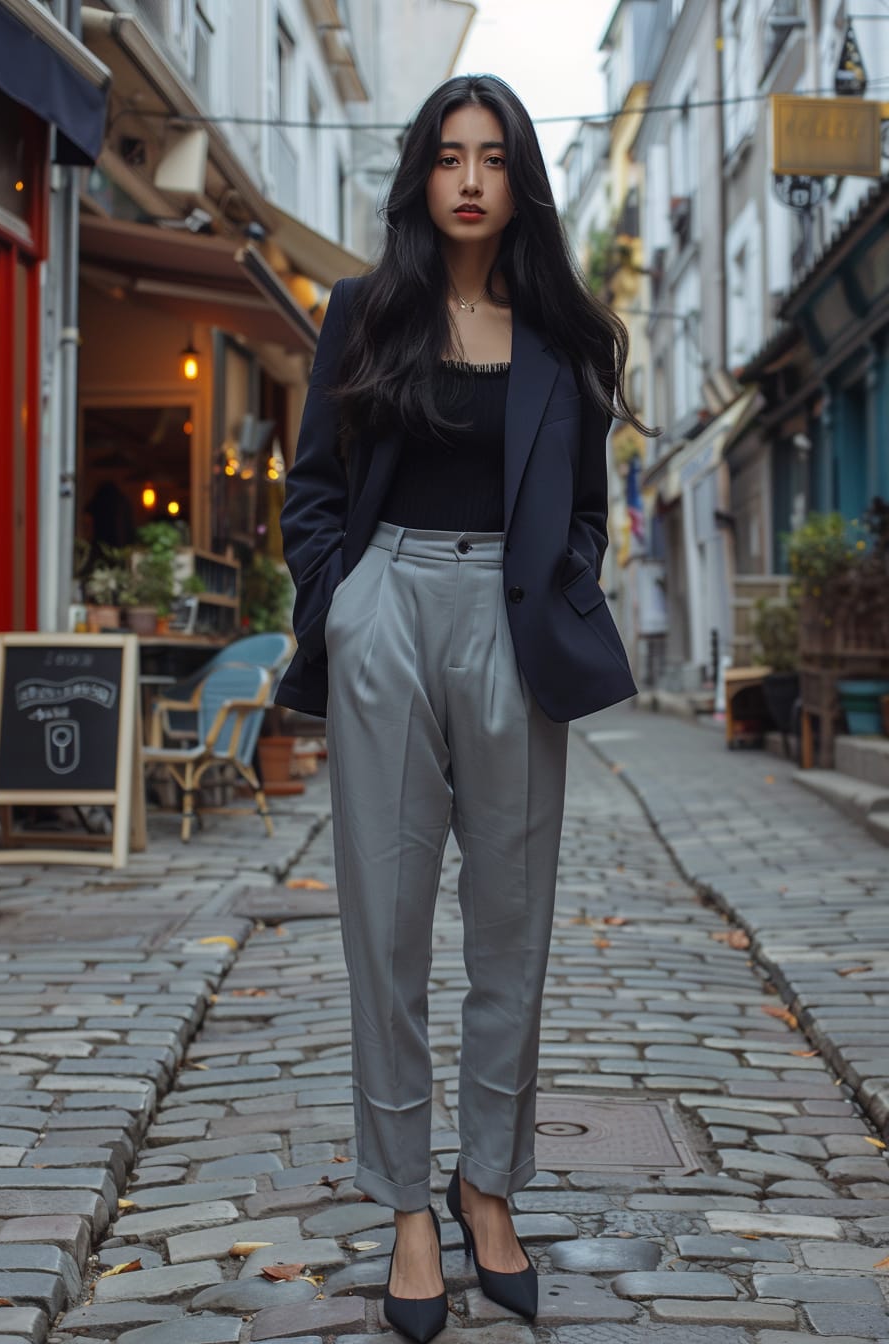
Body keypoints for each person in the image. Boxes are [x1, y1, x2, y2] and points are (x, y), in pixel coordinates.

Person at [276, 74, 651, 1344]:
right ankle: (405, 1211)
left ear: (517, 178)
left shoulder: (561, 336)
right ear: (420, 178)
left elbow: (586, 508)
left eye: (492, 156)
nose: (471, 177)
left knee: (512, 922)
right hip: (385, 607)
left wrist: (554, 586)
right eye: (448, 156)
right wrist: (340, 603)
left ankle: (486, 1184)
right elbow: (313, 487)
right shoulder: (364, 313)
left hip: (507, 614)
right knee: (383, 926)